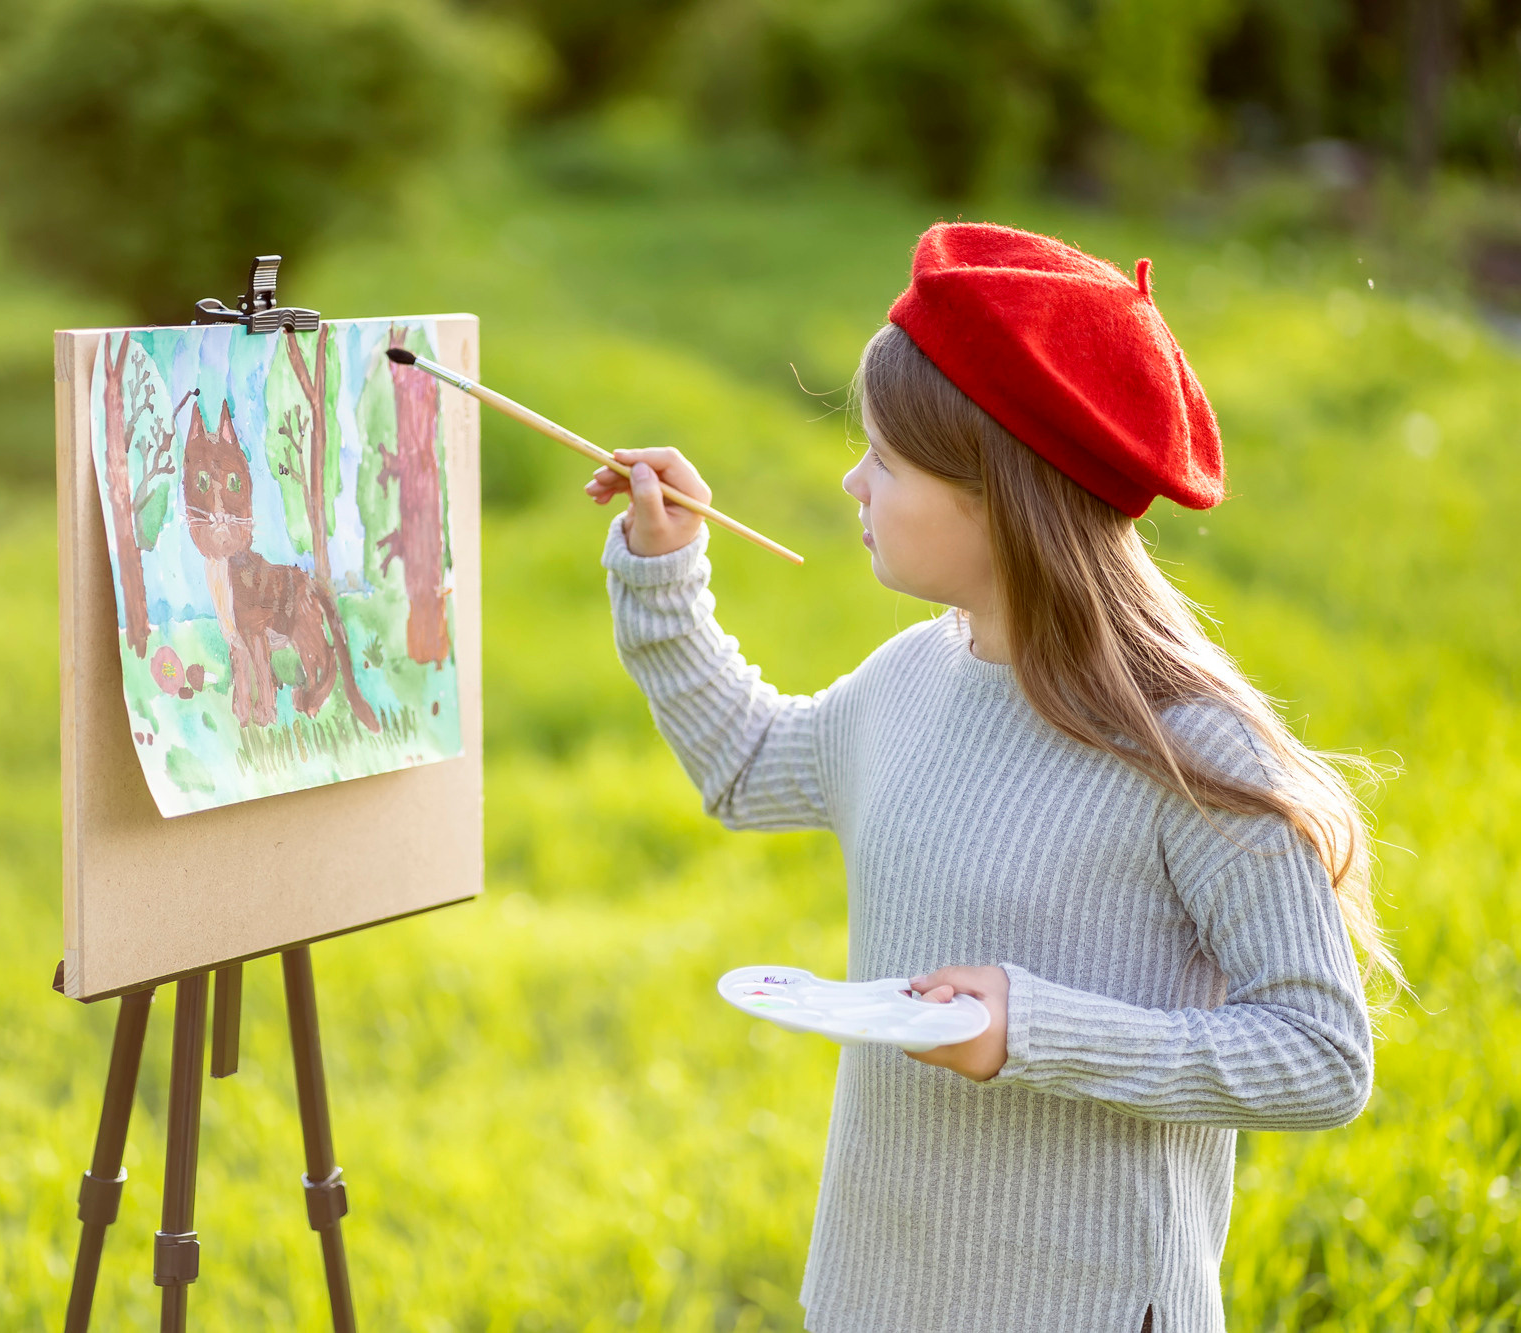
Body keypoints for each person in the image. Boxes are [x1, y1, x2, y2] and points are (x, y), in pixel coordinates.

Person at [584, 223, 1391, 1332]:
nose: (849, 478)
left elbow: (1318, 1056)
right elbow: (747, 766)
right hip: (878, 1286)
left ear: (998, 494)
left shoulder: (1181, 746)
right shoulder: (913, 677)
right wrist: (664, 572)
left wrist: (1036, 1029)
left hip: (1086, 1305)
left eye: (886, 459)